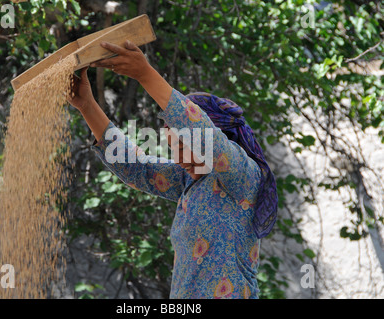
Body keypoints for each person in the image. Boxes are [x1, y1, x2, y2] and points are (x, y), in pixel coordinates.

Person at [68, 40, 278, 299]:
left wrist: (145, 74)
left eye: (183, 146)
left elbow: (204, 136)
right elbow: (135, 167)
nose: (178, 159)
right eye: (172, 148)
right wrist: (87, 105)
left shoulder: (243, 175)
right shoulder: (188, 182)